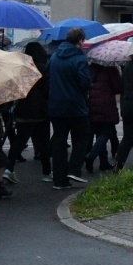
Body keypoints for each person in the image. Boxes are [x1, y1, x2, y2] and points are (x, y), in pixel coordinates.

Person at [47, 28, 92, 189]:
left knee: (59, 141)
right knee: (82, 137)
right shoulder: (79, 58)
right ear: (80, 41)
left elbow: (47, 77)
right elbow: (85, 83)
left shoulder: (54, 57)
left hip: (56, 105)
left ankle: (59, 180)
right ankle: (74, 168)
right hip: (75, 106)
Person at [5, 42, 52, 183]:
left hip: (23, 110)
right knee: (44, 143)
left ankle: (9, 169)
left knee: (19, 141)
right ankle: (46, 172)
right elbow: (47, 90)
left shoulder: (22, 68)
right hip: (41, 111)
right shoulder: (44, 68)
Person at [85, 62, 122, 172]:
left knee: (98, 133)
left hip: (92, 104)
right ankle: (92, 155)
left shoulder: (91, 69)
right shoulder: (111, 69)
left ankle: (104, 162)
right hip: (106, 104)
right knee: (106, 132)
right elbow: (117, 88)